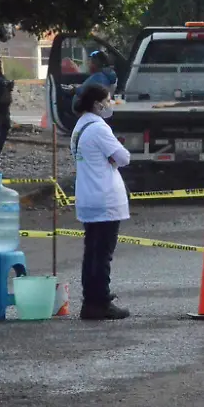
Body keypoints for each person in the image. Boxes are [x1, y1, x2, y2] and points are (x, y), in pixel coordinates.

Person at [71, 84, 131, 320]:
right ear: (97, 104)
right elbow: (124, 158)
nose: (111, 103)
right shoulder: (98, 128)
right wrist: (112, 160)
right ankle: (101, 301)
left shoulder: (79, 126)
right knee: (103, 254)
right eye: (107, 100)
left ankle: (91, 300)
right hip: (105, 198)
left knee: (92, 253)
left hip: (88, 197)